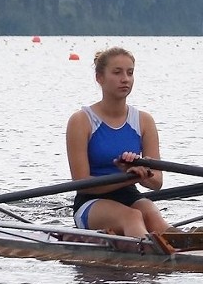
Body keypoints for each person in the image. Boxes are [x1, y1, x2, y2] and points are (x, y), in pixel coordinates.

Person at [66, 47, 172, 238]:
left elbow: (157, 182)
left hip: (129, 196)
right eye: (117, 72)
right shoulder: (81, 121)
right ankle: (150, 253)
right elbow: (82, 184)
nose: (125, 79)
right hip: (91, 202)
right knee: (132, 217)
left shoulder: (144, 121)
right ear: (99, 78)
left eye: (130, 73)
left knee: (151, 214)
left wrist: (142, 174)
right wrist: (129, 176)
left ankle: (190, 246)